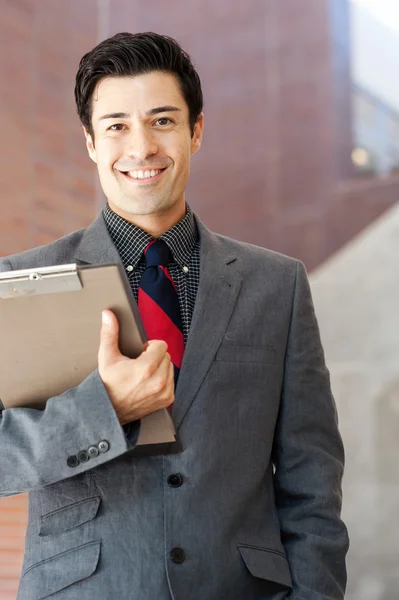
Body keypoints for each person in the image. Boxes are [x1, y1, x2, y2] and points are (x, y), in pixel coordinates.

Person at [0, 32, 349, 600]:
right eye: (116, 126)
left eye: (162, 120)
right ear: (91, 142)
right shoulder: (19, 283)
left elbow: (313, 480)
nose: (140, 147)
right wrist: (104, 410)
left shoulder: (276, 285)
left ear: (196, 130)